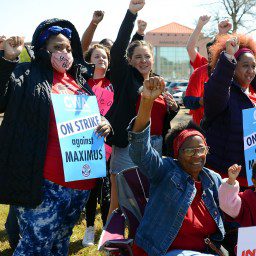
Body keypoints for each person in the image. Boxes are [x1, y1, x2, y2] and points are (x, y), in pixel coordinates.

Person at [0, 19, 112, 255]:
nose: (64, 53)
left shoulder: (79, 82)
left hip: (80, 183)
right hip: (44, 183)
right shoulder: (27, 73)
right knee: (34, 247)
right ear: (43, 49)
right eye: (57, 47)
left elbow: (93, 117)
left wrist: (104, 122)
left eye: (69, 48)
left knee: (60, 245)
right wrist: (8, 60)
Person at [128, 76, 226, 256]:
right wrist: (147, 102)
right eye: (189, 151)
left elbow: (233, 211)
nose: (196, 155)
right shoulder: (165, 170)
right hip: (162, 251)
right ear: (177, 154)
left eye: (201, 149)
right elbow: (140, 150)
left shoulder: (213, 180)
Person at [105, 0, 179, 214]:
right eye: (138, 57)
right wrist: (131, 15)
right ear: (129, 61)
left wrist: (171, 108)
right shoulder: (125, 77)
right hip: (128, 147)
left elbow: (158, 117)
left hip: (154, 146)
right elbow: (119, 47)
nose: (143, 60)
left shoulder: (157, 82)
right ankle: (113, 245)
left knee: (147, 201)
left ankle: (139, 244)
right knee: (120, 203)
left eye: (147, 56)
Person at [203, 35, 256, 187]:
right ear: (233, 66)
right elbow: (216, 89)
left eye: (253, 66)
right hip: (228, 178)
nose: (250, 71)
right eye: (245, 65)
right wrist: (228, 56)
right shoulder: (223, 91)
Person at [81, 43, 114, 247]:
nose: (101, 60)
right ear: (88, 60)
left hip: (110, 142)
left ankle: (107, 228)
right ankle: (89, 227)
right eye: (96, 57)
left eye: (104, 57)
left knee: (107, 188)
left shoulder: (114, 83)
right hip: (87, 143)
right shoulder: (81, 83)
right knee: (91, 188)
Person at [184, 20, 232, 125]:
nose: (215, 56)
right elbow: (190, 48)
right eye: (211, 53)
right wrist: (200, 25)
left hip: (225, 127)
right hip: (201, 127)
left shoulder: (234, 71)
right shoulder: (202, 68)